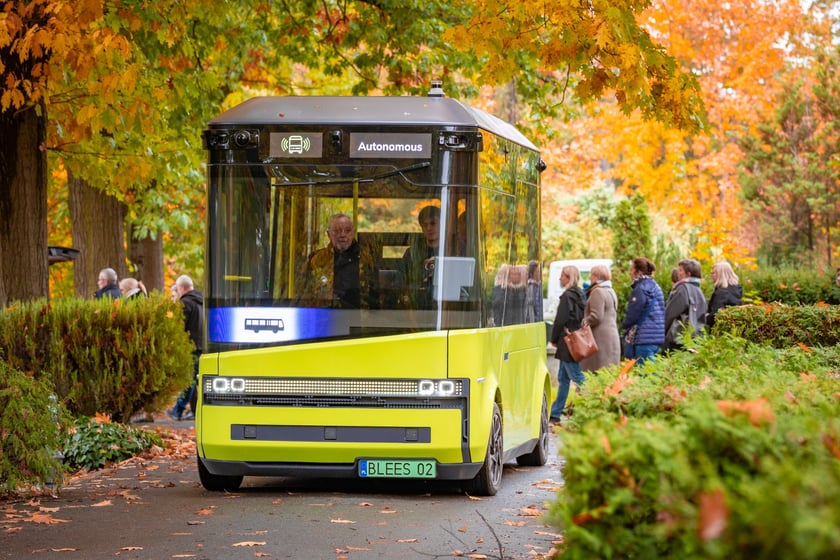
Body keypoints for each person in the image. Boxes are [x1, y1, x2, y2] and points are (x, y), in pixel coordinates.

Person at [300, 213, 379, 309]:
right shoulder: (316, 260)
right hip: (325, 318)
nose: (342, 235)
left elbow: (376, 297)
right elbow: (304, 295)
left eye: (347, 231)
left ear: (353, 233)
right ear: (328, 234)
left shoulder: (367, 260)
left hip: (359, 319)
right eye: (337, 231)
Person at [548, 265, 586, 423]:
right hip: (574, 338)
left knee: (577, 377)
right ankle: (556, 412)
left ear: (568, 277)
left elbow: (560, 320)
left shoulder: (567, 296)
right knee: (563, 378)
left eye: (562, 276)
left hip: (566, 341)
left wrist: (554, 339)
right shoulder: (580, 294)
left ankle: (594, 404)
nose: (559, 279)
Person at [168, 274, 204, 421]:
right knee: (197, 379)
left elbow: (179, 326)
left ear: (181, 288)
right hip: (202, 345)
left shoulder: (185, 303)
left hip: (191, 346)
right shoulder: (202, 301)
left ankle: (178, 409)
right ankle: (194, 410)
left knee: (189, 380)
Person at [621, 257, 666, 365]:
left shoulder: (640, 289)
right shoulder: (656, 287)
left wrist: (624, 325)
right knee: (649, 373)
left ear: (639, 272)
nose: (630, 273)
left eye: (631, 270)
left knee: (647, 376)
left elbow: (633, 314)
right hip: (656, 337)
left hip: (643, 338)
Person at [578, 265, 621, 372]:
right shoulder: (611, 291)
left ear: (596, 277)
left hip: (600, 338)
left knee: (596, 371)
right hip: (612, 336)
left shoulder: (597, 291)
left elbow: (596, 316)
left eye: (591, 276)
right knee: (609, 371)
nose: (590, 279)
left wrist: (584, 322)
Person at [400, 205, 441, 308]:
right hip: (417, 306)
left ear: (442, 224)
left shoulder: (452, 251)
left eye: (433, 223)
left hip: (445, 307)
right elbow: (401, 281)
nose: (429, 228)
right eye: (424, 225)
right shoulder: (411, 254)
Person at [664, 258, 708, 351]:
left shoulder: (682, 288)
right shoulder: (698, 290)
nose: (678, 273)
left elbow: (671, 313)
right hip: (694, 337)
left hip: (678, 337)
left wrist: (662, 331)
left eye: (680, 270)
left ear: (688, 273)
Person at [706, 261, 743, 330]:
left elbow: (715, 315)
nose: (711, 275)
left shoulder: (721, 293)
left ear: (721, 274)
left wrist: (704, 318)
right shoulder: (737, 290)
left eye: (713, 272)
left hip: (721, 330)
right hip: (734, 329)